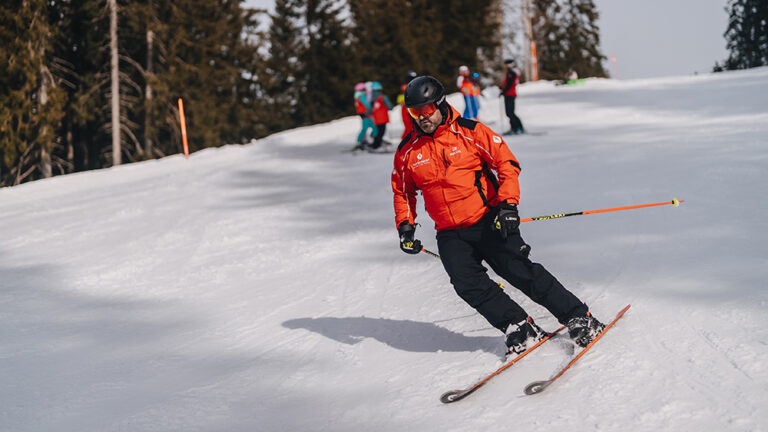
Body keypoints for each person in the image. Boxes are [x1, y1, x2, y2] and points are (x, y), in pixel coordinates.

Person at [391, 76, 604, 356]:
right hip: (449, 231)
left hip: (488, 218)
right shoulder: (407, 151)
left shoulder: (470, 132)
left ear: (440, 105)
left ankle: (578, 317)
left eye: (427, 109)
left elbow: (507, 164)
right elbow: (403, 191)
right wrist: (405, 227)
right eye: (414, 112)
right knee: (467, 284)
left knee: (519, 271)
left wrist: (508, 205)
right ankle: (518, 326)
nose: (422, 117)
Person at [499, 59, 525, 135]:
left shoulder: (512, 72)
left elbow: (510, 84)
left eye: (507, 64)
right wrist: (502, 87)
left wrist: (504, 91)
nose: (506, 66)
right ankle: (516, 127)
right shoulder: (512, 72)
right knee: (510, 113)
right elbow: (508, 83)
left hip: (509, 94)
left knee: (510, 113)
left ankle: (516, 128)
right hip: (509, 94)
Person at [370, 81, 393, 149]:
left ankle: (375, 144)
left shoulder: (372, 99)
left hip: (376, 119)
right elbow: (390, 107)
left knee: (378, 132)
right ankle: (376, 146)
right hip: (382, 118)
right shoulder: (383, 97)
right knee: (381, 132)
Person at [353, 82, 376, 149]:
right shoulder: (361, 96)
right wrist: (372, 110)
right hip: (366, 114)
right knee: (372, 128)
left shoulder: (357, 97)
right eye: (364, 89)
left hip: (363, 114)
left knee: (367, 128)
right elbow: (367, 104)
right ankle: (360, 141)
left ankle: (362, 141)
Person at [398, 70, 418, 140]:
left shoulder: (414, 86)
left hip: (412, 107)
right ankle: (405, 141)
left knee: (413, 126)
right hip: (407, 108)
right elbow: (400, 99)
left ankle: (411, 140)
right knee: (409, 126)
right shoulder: (406, 87)